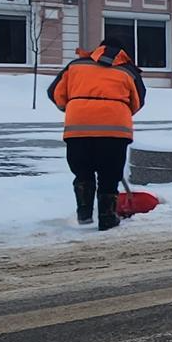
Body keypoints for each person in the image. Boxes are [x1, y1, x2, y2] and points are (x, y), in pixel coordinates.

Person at [47, 39, 146, 231]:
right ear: (125, 53)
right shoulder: (128, 71)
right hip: (115, 129)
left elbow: (55, 92)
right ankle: (107, 217)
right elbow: (138, 100)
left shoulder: (76, 66)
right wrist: (119, 110)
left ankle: (84, 212)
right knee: (110, 173)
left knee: (82, 169)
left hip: (78, 127)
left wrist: (75, 107)